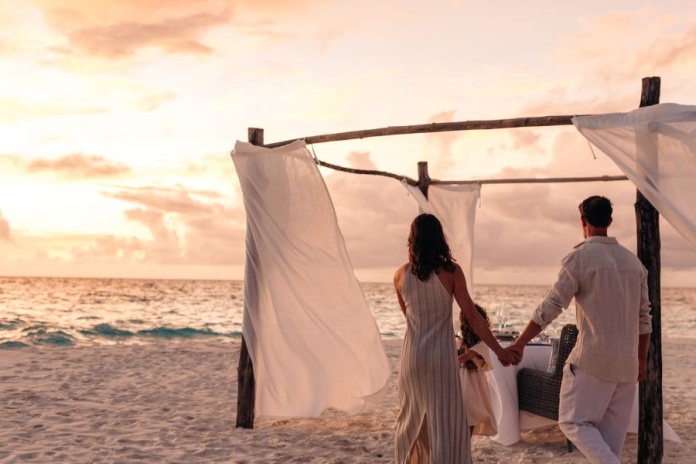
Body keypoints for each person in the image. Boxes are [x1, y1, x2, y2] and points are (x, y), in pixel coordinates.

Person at [507, 195, 652, 464]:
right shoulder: (634, 264)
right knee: (608, 448)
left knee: (572, 422)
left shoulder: (580, 258)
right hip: (627, 365)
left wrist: (520, 343)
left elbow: (551, 306)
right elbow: (644, 319)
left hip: (593, 360)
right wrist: (641, 359)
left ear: (582, 220)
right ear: (610, 220)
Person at [393, 213, 517, 464]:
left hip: (412, 358)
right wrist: (499, 351)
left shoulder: (400, 275)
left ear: (412, 240)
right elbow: (472, 316)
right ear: (439, 238)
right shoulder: (451, 272)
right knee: (445, 422)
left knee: (411, 419)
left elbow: (410, 319)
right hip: (440, 357)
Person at [457, 303, 498, 437]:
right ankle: (463, 444)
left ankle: (466, 444)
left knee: (470, 413)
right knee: (464, 415)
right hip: (461, 381)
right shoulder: (462, 342)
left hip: (473, 384)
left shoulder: (482, 343)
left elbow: (463, 358)